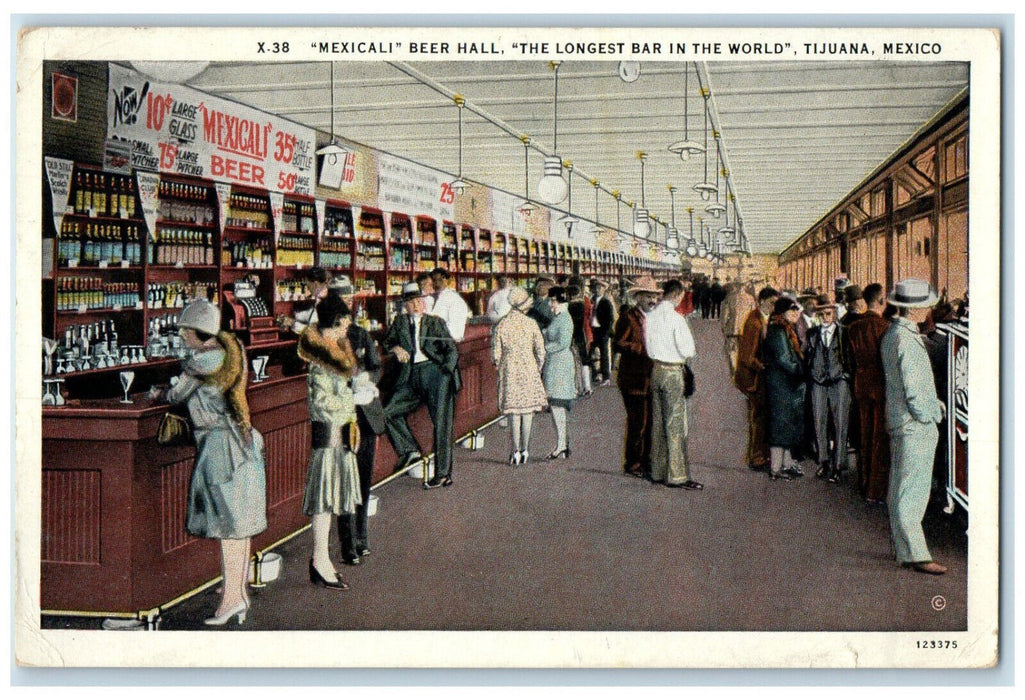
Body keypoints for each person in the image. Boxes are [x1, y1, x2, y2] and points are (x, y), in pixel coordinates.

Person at [165, 300, 266, 625]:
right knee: (240, 523)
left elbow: (175, 396)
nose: (181, 335)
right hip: (242, 439)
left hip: (221, 448)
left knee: (229, 527)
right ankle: (237, 589)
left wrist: (166, 386)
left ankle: (232, 600)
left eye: (185, 330)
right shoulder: (232, 350)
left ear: (199, 332)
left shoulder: (202, 361)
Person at [879, 279, 947, 575]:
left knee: (899, 488)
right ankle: (917, 555)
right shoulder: (908, 339)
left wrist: (934, 403)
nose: (930, 309)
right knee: (913, 492)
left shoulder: (893, 333)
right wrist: (930, 414)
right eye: (927, 304)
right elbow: (914, 391)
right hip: (914, 425)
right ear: (916, 309)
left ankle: (903, 549)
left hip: (898, 420)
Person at [297, 293, 360, 590]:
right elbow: (321, 402)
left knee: (331, 499)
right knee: (325, 499)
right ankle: (320, 560)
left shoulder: (334, 353)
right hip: (329, 435)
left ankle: (321, 559)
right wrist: (351, 400)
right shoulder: (320, 361)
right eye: (340, 327)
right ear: (326, 327)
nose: (344, 332)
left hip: (340, 433)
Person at [382, 282, 462, 489]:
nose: (417, 305)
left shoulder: (435, 322)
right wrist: (396, 348)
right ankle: (411, 451)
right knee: (388, 411)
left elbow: (451, 350)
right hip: (411, 376)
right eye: (412, 302)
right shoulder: (399, 323)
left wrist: (445, 373)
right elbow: (386, 342)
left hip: (436, 374)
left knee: (442, 424)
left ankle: (443, 474)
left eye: (419, 300)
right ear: (405, 305)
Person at [644, 279, 702, 490]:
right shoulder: (677, 319)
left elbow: (648, 346)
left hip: (656, 370)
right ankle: (677, 475)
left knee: (657, 422)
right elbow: (688, 350)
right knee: (675, 423)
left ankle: (657, 471)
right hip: (672, 372)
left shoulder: (650, 317)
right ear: (677, 295)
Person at [491, 286, 548, 465]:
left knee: (514, 413)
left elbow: (495, 355)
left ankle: (514, 451)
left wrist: (501, 367)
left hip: (510, 370)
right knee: (527, 411)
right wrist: (537, 367)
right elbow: (541, 351)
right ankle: (525, 450)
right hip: (529, 368)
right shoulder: (531, 324)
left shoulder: (501, 325)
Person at [847, 283, 893, 504]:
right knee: (879, 439)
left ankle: (864, 484)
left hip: (860, 383)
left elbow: (848, 359)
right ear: (882, 300)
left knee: (864, 434)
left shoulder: (854, 327)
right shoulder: (884, 327)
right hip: (879, 385)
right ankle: (876, 490)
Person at [612, 276, 659, 478]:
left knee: (649, 423)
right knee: (637, 423)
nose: (652, 301)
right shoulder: (628, 317)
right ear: (638, 297)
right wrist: (641, 348)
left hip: (649, 378)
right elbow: (618, 344)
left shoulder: (654, 318)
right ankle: (633, 463)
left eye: (654, 297)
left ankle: (646, 462)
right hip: (633, 379)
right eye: (648, 296)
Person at [804, 294, 853, 483]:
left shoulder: (844, 333)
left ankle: (838, 467)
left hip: (839, 382)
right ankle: (823, 462)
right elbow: (809, 355)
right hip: (818, 383)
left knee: (840, 424)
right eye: (822, 314)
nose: (826, 318)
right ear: (818, 315)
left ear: (834, 314)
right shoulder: (812, 334)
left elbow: (849, 356)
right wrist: (812, 373)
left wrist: (845, 375)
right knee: (819, 423)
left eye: (829, 314)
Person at [734, 286, 779, 473]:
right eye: (771, 303)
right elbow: (747, 356)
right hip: (754, 379)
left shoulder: (763, 318)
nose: (774, 306)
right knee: (758, 418)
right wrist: (764, 367)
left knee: (762, 417)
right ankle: (757, 457)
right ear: (761, 302)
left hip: (759, 378)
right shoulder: (754, 322)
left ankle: (761, 454)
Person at [762, 296, 807, 481]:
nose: (796, 313)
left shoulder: (786, 329)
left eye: (797, 310)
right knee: (780, 426)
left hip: (787, 386)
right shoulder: (779, 331)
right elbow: (784, 359)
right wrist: (802, 371)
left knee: (787, 426)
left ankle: (786, 464)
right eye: (792, 310)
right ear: (782, 313)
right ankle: (775, 468)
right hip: (781, 386)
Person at [541, 286, 576, 459]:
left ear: (561, 301)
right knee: (556, 404)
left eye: (553, 301)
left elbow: (563, 342)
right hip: (556, 363)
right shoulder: (560, 317)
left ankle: (562, 443)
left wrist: (544, 347)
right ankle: (561, 442)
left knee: (557, 404)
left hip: (560, 364)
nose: (550, 304)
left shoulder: (564, 319)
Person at [566, 281, 592, 397]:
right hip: (582, 334)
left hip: (572, 335)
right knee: (584, 360)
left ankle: (577, 387)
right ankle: (587, 386)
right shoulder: (583, 304)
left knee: (574, 362)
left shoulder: (569, 307)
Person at [429, 267, 470, 342]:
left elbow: (456, 332)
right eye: (434, 280)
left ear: (446, 280)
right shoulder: (429, 298)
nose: (436, 283)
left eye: (440, 280)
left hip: (445, 342)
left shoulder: (455, 299)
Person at [592, 281, 618, 386]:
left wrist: (606, 332)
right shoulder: (592, 300)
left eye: (600, 288)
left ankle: (606, 377)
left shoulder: (606, 302)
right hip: (593, 330)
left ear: (604, 290)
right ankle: (595, 374)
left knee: (604, 354)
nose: (598, 289)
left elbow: (610, 318)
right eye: (597, 287)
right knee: (592, 354)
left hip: (602, 331)